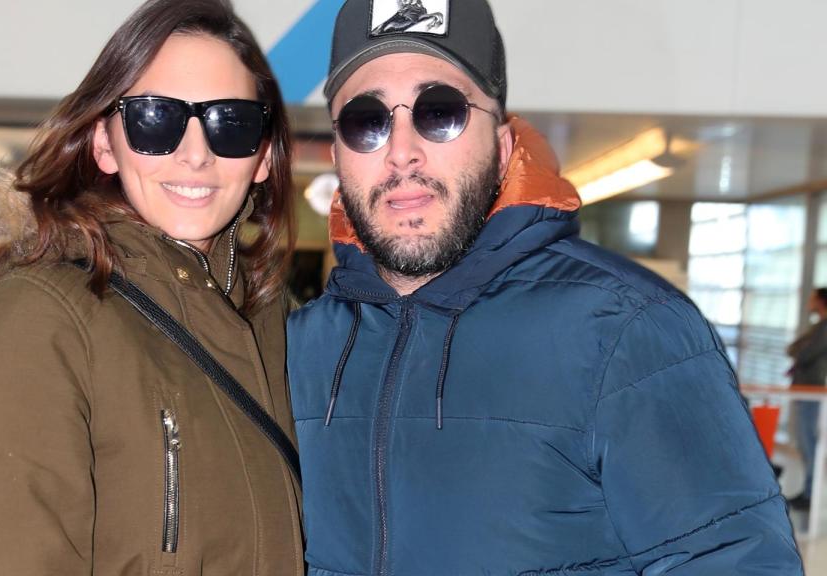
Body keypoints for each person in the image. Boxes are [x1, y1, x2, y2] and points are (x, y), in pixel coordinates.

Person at [286, 0, 802, 573]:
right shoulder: (301, 347)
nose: (402, 150)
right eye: (366, 121)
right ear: (338, 155)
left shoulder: (624, 329)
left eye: (440, 112)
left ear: (503, 147)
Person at [0, 0, 302, 573]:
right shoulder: (33, 317)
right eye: (155, 118)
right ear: (104, 143)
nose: (195, 154)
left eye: (230, 122)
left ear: (263, 155)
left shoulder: (276, 320)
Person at [786, 287, 827, 511]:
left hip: (812, 390)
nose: (809, 302)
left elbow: (803, 354)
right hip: (805, 389)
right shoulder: (818, 326)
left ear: (821, 301)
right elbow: (793, 348)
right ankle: (808, 491)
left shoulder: (824, 328)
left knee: (809, 443)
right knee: (805, 443)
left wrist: (799, 350)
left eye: (812, 298)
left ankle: (811, 494)